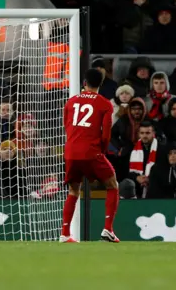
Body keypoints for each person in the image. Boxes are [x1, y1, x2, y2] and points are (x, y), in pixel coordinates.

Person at [60, 68, 119, 243]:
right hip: (92, 151)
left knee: (73, 190)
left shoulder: (70, 102)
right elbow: (106, 134)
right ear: (100, 84)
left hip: (71, 151)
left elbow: (66, 126)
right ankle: (108, 229)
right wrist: (101, 150)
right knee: (112, 185)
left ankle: (65, 234)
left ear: (84, 83)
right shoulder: (105, 104)